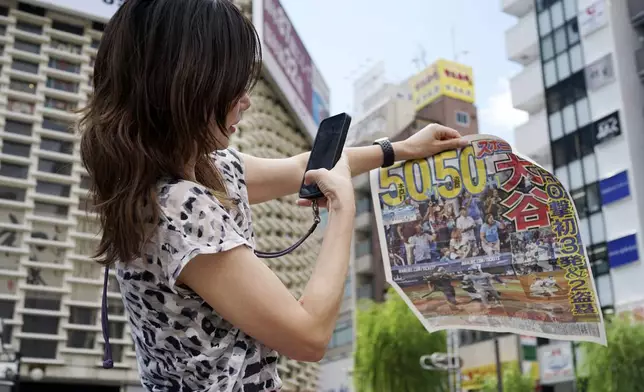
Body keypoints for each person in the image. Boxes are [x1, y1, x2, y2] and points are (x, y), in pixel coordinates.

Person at [78, 1, 468, 391]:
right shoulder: (178, 207)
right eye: (233, 83)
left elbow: (304, 167)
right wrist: (343, 207)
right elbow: (309, 335)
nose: (245, 99)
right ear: (185, 83)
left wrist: (401, 149)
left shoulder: (189, 176)